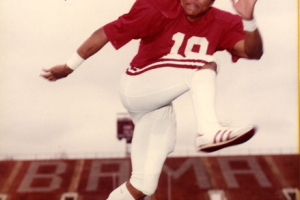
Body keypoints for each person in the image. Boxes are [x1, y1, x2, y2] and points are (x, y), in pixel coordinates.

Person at [41, 0, 263, 199]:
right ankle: (209, 130)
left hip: (158, 106)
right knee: (204, 62)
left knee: (142, 186)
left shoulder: (224, 21)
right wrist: (69, 66)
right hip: (136, 85)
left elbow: (252, 52)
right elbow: (105, 33)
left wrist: (249, 21)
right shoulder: (157, 7)